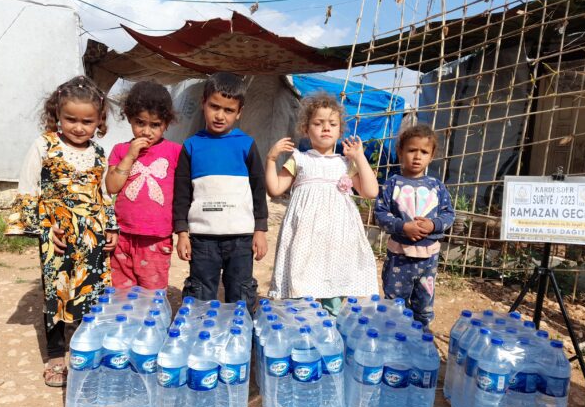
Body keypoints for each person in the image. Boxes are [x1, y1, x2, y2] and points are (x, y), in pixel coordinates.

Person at [5, 75, 118, 387]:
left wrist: (111, 227)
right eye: (71, 119)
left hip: (92, 237)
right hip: (58, 237)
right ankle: (56, 356)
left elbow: (103, 193)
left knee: (91, 293)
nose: (78, 127)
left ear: (99, 121)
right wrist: (44, 229)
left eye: (87, 121)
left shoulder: (98, 152)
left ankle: (85, 350)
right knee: (58, 294)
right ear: (57, 115)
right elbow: (28, 189)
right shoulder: (45, 145)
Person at [266, 92, 379, 315]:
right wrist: (270, 159)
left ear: (339, 131)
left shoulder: (345, 162)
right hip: (304, 235)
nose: (325, 128)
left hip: (337, 236)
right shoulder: (299, 159)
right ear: (306, 129)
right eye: (318, 123)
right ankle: (301, 323)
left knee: (333, 281)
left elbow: (370, 191)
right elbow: (275, 188)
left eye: (332, 124)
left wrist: (359, 157)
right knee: (300, 279)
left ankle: (331, 326)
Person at [173, 72, 268, 312]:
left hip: (241, 238)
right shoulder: (191, 146)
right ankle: (201, 338)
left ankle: (240, 338)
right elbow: (182, 192)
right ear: (204, 102)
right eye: (214, 106)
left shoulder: (246, 144)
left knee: (241, 294)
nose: (220, 115)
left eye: (228, 110)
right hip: (203, 238)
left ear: (239, 112)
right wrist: (182, 232)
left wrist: (260, 229)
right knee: (201, 294)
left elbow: (259, 189)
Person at [374, 124, 454, 329]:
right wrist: (402, 227)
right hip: (399, 257)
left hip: (428, 259)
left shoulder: (437, 186)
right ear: (400, 151)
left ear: (432, 155)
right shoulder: (392, 184)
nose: (417, 157)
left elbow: (448, 215)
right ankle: (394, 337)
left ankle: (421, 338)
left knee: (424, 304)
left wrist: (433, 225)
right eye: (411, 150)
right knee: (394, 302)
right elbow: (380, 214)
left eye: (424, 152)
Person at [106, 81, 182, 290]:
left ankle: (152, 323)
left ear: (166, 124)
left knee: (152, 292)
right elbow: (112, 186)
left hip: (156, 237)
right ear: (129, 118)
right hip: (123, 236)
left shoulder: (175, 152)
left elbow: (186, 191)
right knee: (122, 292)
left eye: (155, 125)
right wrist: (130, 156)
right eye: (140, 123)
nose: (146, 131)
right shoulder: (120, 150)